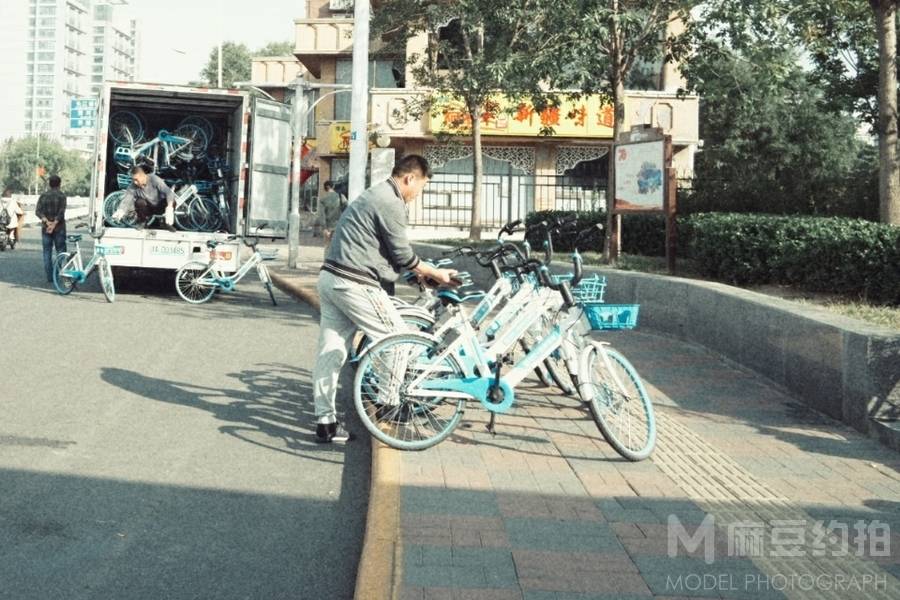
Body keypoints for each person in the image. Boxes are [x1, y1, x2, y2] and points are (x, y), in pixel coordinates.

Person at [311, 155, 457, 443]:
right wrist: (436, 273)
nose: (418, 195)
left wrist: (418, 274)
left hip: (331, 278)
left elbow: (388, 253)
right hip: (354, 282)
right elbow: (403, 255)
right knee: (398, 340)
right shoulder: (390, 201)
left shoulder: (374, 194)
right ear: (409, 178)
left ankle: (325, 422)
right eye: (421, 187)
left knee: (331, 352)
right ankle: (388, 407)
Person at [112, 164, 177, 231]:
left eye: (136, 180)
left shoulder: (154, 179)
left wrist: (169, 207)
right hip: (148, 208)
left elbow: (168, 192)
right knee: (139, 202)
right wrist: (121, 210)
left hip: (160, 205)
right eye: (133, 180)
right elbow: (127, 198)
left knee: (173, 202)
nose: (135, 182)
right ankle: (143, 222)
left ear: (142, 176)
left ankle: (166, 224)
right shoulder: (133, 186)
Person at [35, 175, 67, 282]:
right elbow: (61, 212)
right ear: (59, 184)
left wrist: (47, 222)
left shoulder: (43, 196)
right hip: (59, 228)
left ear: (49, 184)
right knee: (61, 252)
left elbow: (38, 211)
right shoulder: (62, 196)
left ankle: (50, 277)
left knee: (47, 252)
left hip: (46, 228)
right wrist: (54, 223)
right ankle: (58, 273)